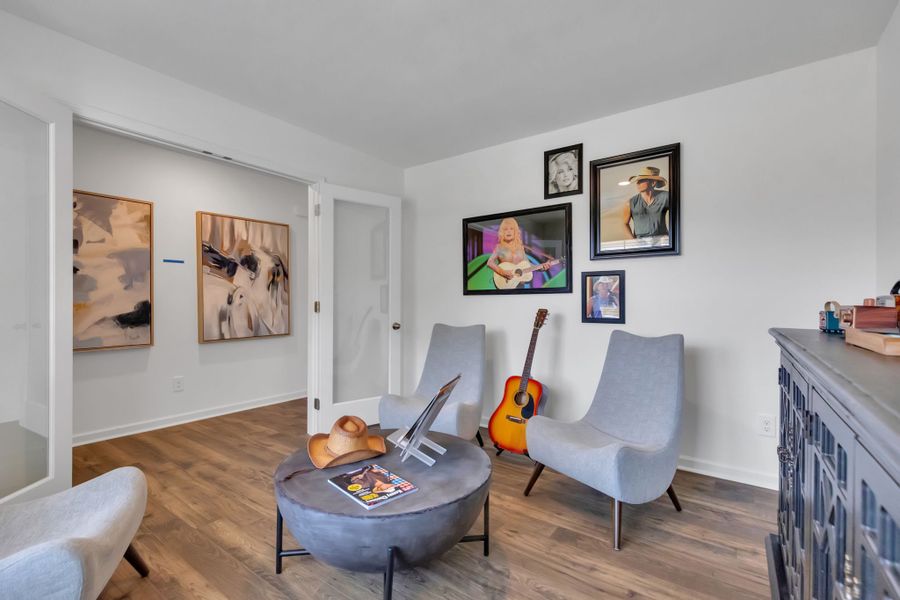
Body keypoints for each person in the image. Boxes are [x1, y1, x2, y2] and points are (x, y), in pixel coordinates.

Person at [486, 217, 552, 284]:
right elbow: (490, 262)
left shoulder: (520, 247)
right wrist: (503, 272)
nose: (508, 231)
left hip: (518, 285)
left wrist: (541, 267)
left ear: (515, 231)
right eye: (505, 229)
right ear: (502, 232)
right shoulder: (500, 247)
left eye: (511, 229)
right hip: (505, 284)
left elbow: (527, 264)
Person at [622, 166, 670, 239]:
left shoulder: (666, 197)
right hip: (641, 243)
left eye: (641, 180)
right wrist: (633, 241)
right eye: (637, 181)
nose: (637, 183)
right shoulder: (630, 203)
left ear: (653, 183)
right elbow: (624, 224)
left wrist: (671, 238)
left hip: (662, 241)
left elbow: (678, 217)